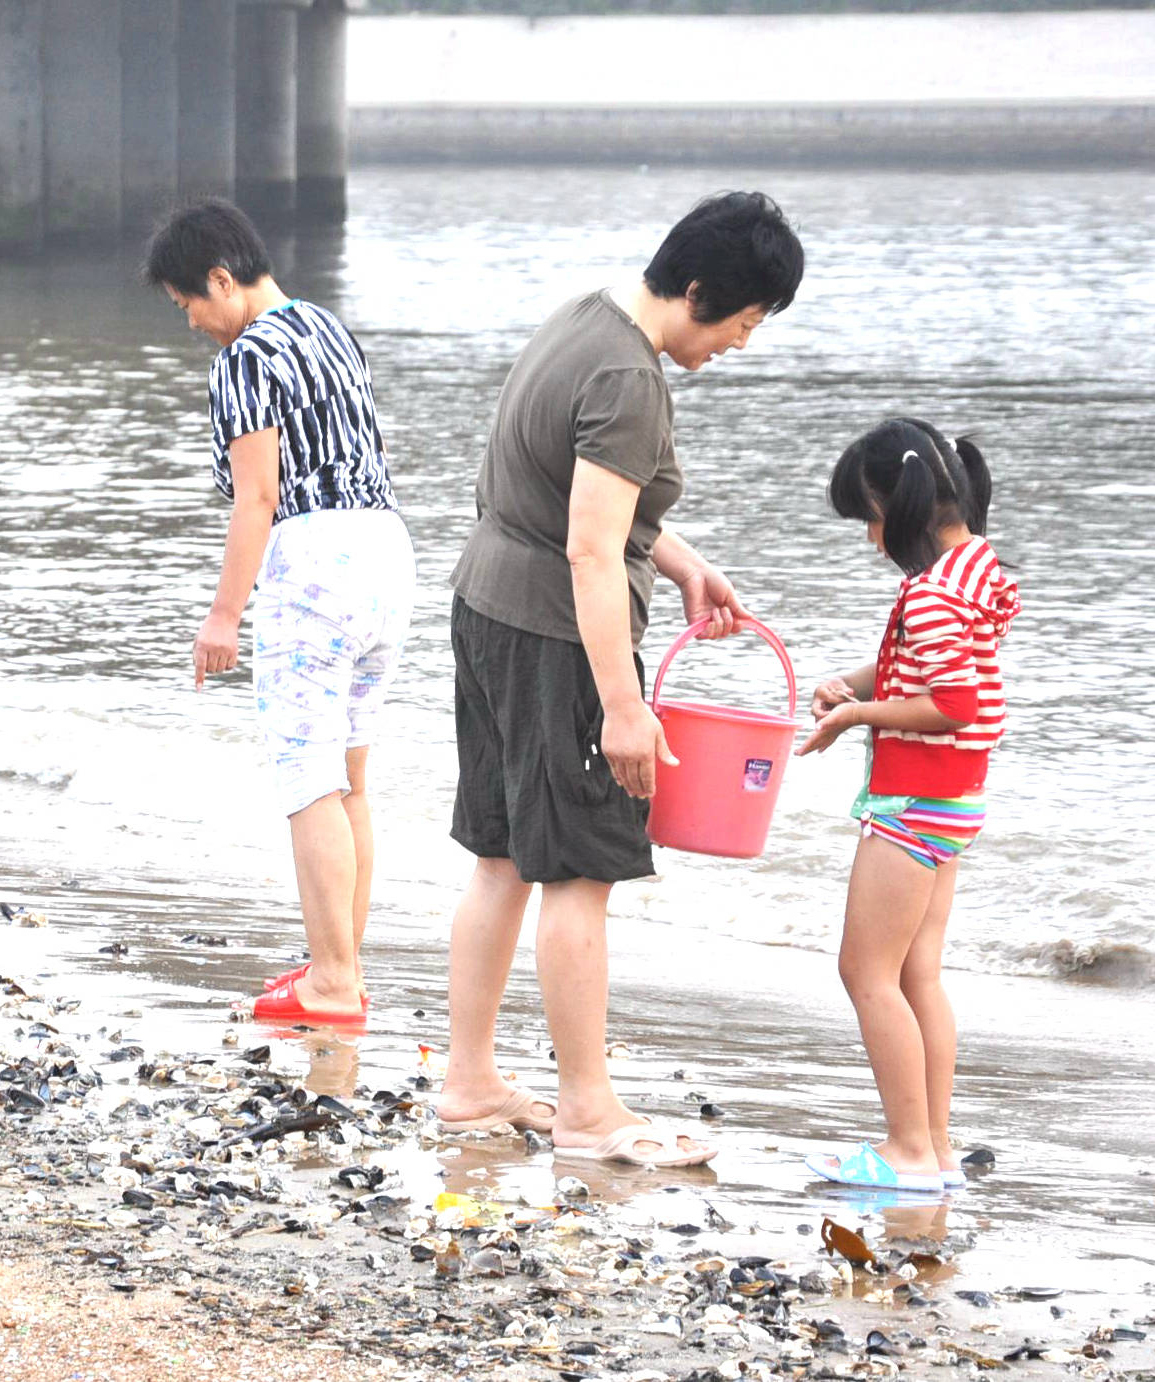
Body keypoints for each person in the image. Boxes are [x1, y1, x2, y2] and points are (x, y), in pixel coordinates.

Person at [436, 191, 803, 1161]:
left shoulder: (584, 319)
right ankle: (588, 1110)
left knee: (502, 856)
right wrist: (625, 707)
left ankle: (470, 1080)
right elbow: (592, 553)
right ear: (698, 291)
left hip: (486, 605)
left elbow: (564, 491)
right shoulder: (631, 381)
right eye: (744, 322)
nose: (740, 344)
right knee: (581, 869)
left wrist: (677, 557)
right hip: (556, 636)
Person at [144, 198, 416, 1025]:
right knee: (351, 782)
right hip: (386, 555)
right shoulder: (329, 328)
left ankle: (331, 983)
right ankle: (341, 967)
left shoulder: (244, 360)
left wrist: (222, 617)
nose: (191, 321)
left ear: (220, 279)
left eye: (188, 303)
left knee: (307, 782)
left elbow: (256, 497)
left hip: (314, 565)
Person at [795, 418, 1020, 1192]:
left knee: (865, 971)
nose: (867, 537)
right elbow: (933, 670)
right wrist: (857, 684)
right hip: (955, 798)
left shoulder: (926, 595)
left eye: (869, 517)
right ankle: (934, 1148)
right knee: (917, 972)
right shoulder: (974, 567)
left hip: (912, 803)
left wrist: (857, 715)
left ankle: (906, 1153)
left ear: (905, 507)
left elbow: (951, 703)